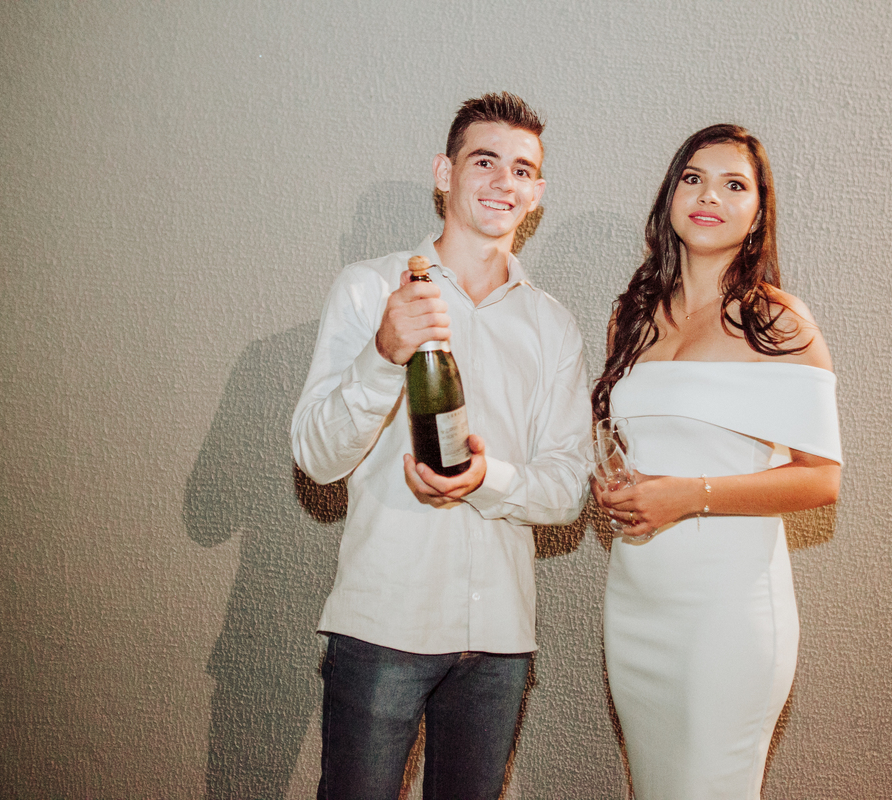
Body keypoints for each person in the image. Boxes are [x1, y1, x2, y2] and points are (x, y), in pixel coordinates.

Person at [291, 92, 591, 800]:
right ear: (443, 173)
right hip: (383, 624)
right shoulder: (370, 289)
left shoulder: (553, 327)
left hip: (500, 642)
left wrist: (488, 478)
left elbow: (569, 487)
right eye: (484, 161)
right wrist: (382, 354)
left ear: (537, 194)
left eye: (522, 169)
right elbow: (316, 458)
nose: (503, 181)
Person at [591, 124, 843, 800]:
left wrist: (688, 495)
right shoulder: (632, 316)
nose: (709, 196)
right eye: (693, 178)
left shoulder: (778, 322)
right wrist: (613, 482)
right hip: (636, 602)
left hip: (727, 613)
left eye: (734, 185)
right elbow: (635, 441)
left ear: (758, 214)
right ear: (670, 196)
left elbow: (822, 478)